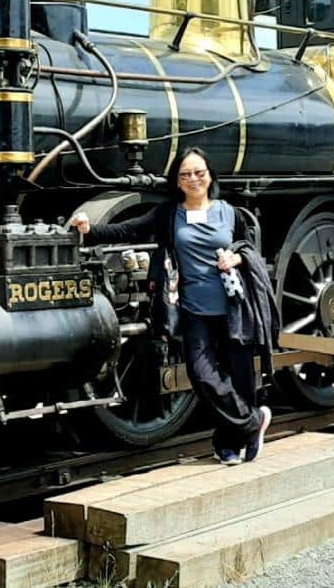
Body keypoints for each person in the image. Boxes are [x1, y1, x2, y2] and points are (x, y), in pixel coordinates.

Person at [70, 147, 274, 465]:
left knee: (239, 376)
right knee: (202, 374)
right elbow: (128, 229)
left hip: (234, 306)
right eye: (185, 174)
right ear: (177, 181)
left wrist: (235, 257)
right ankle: (252, 424)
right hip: (194, 309)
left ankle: (229, 444)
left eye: (199, 173)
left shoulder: (229, 212)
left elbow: (248, 249)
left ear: (210, 176)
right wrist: (89, 230)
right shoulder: (169, 214)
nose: (193, 179)